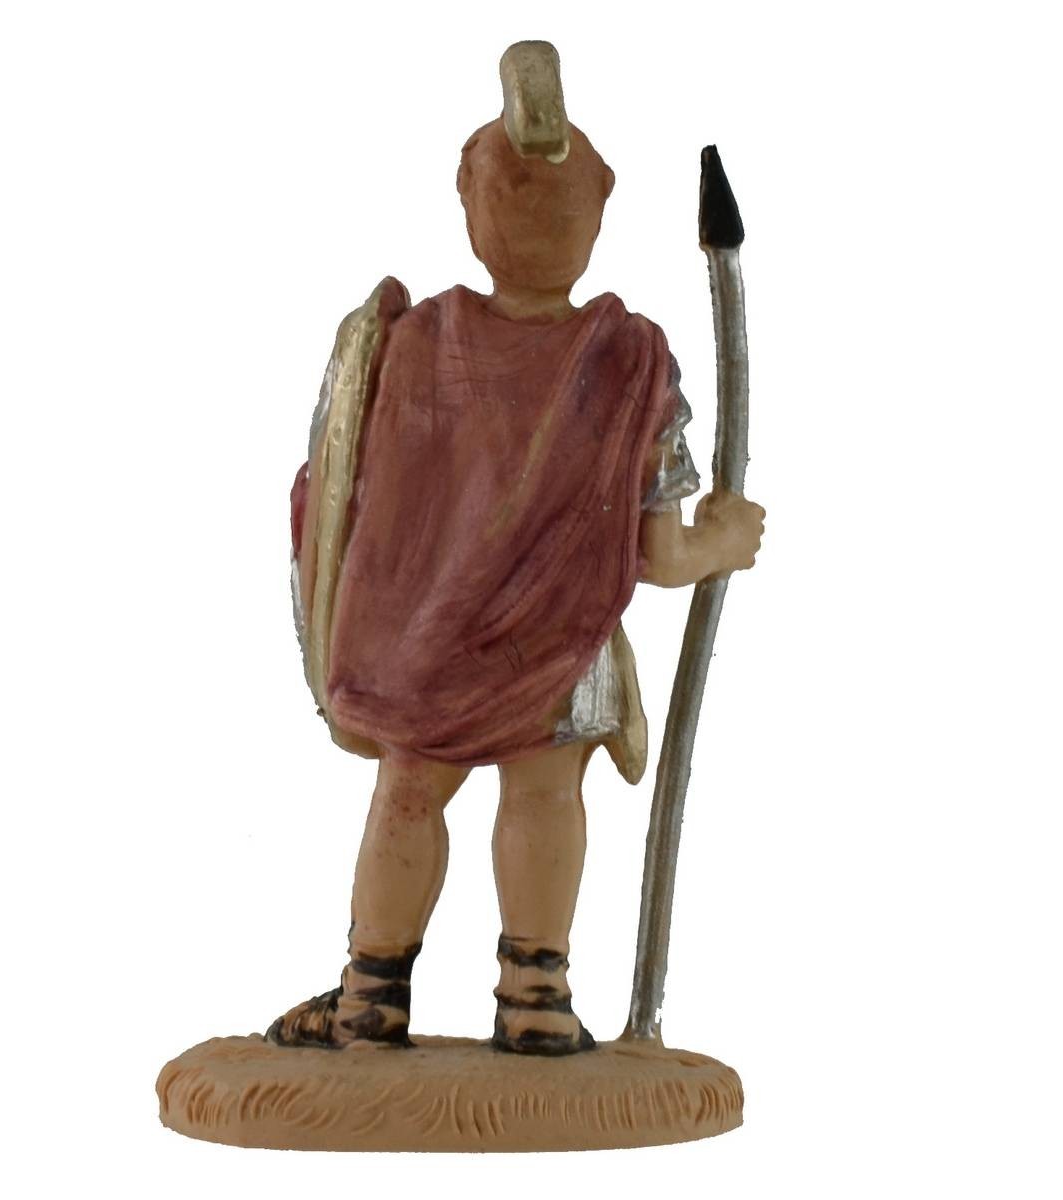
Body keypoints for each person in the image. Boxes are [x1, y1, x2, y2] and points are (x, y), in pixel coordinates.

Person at [272, 50, 764, 1056]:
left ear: (470, 209)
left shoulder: (410, 344)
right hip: (562, 654)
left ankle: (372, 993)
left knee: (409, 793)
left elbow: (348, 507)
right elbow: (657, 554)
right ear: (597, 217)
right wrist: (721, 539)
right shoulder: (629, 363)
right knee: (545, 793)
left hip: (422, 649)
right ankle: (534, 995)